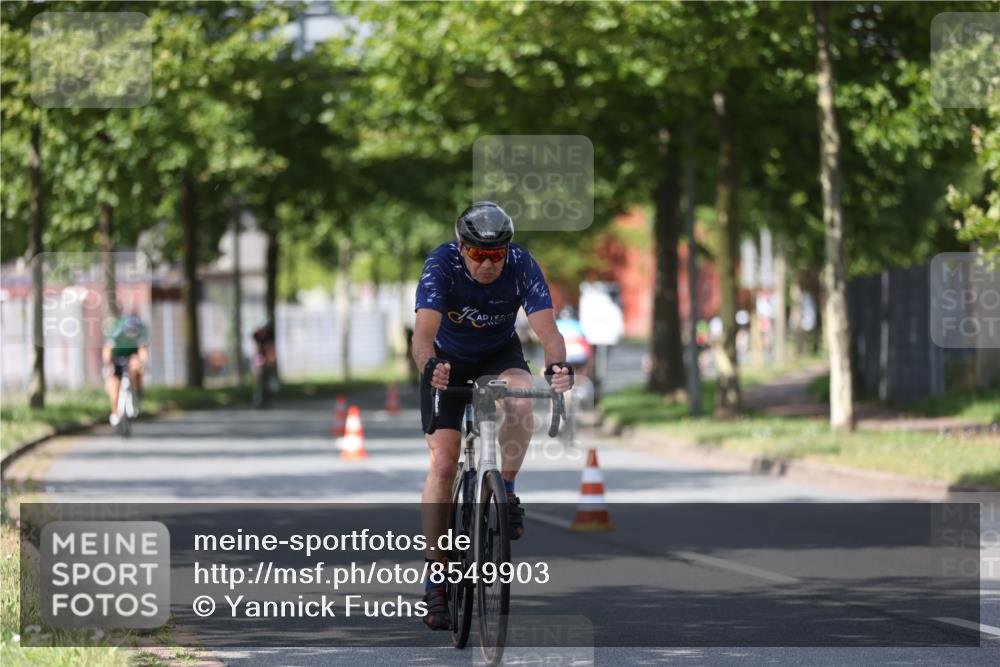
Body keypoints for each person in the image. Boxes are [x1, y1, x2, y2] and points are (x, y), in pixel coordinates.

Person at [412, 201, 573, 631]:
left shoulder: (522, 265)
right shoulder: (441, 264)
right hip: (447, 362)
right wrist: (430, 367)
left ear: (508, 250)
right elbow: (423, 337)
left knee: (521, 398)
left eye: (496, 255)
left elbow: (549, 332)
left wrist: (557, 367)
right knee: (444, 463)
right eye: (478, 255)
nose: (487, 264)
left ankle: (506, 489)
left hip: (498, 355)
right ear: (461, 247)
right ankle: (436, 573)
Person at [102, 311, 148, 426]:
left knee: (136, 368)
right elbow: (107, 350)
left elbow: (142, 350)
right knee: (114, 385)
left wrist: (142, 362)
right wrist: (108, 364)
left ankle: (137, 393)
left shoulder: (140, 333)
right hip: (116, 357)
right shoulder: (117, 333)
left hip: (132, 356)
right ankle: (115, 412)